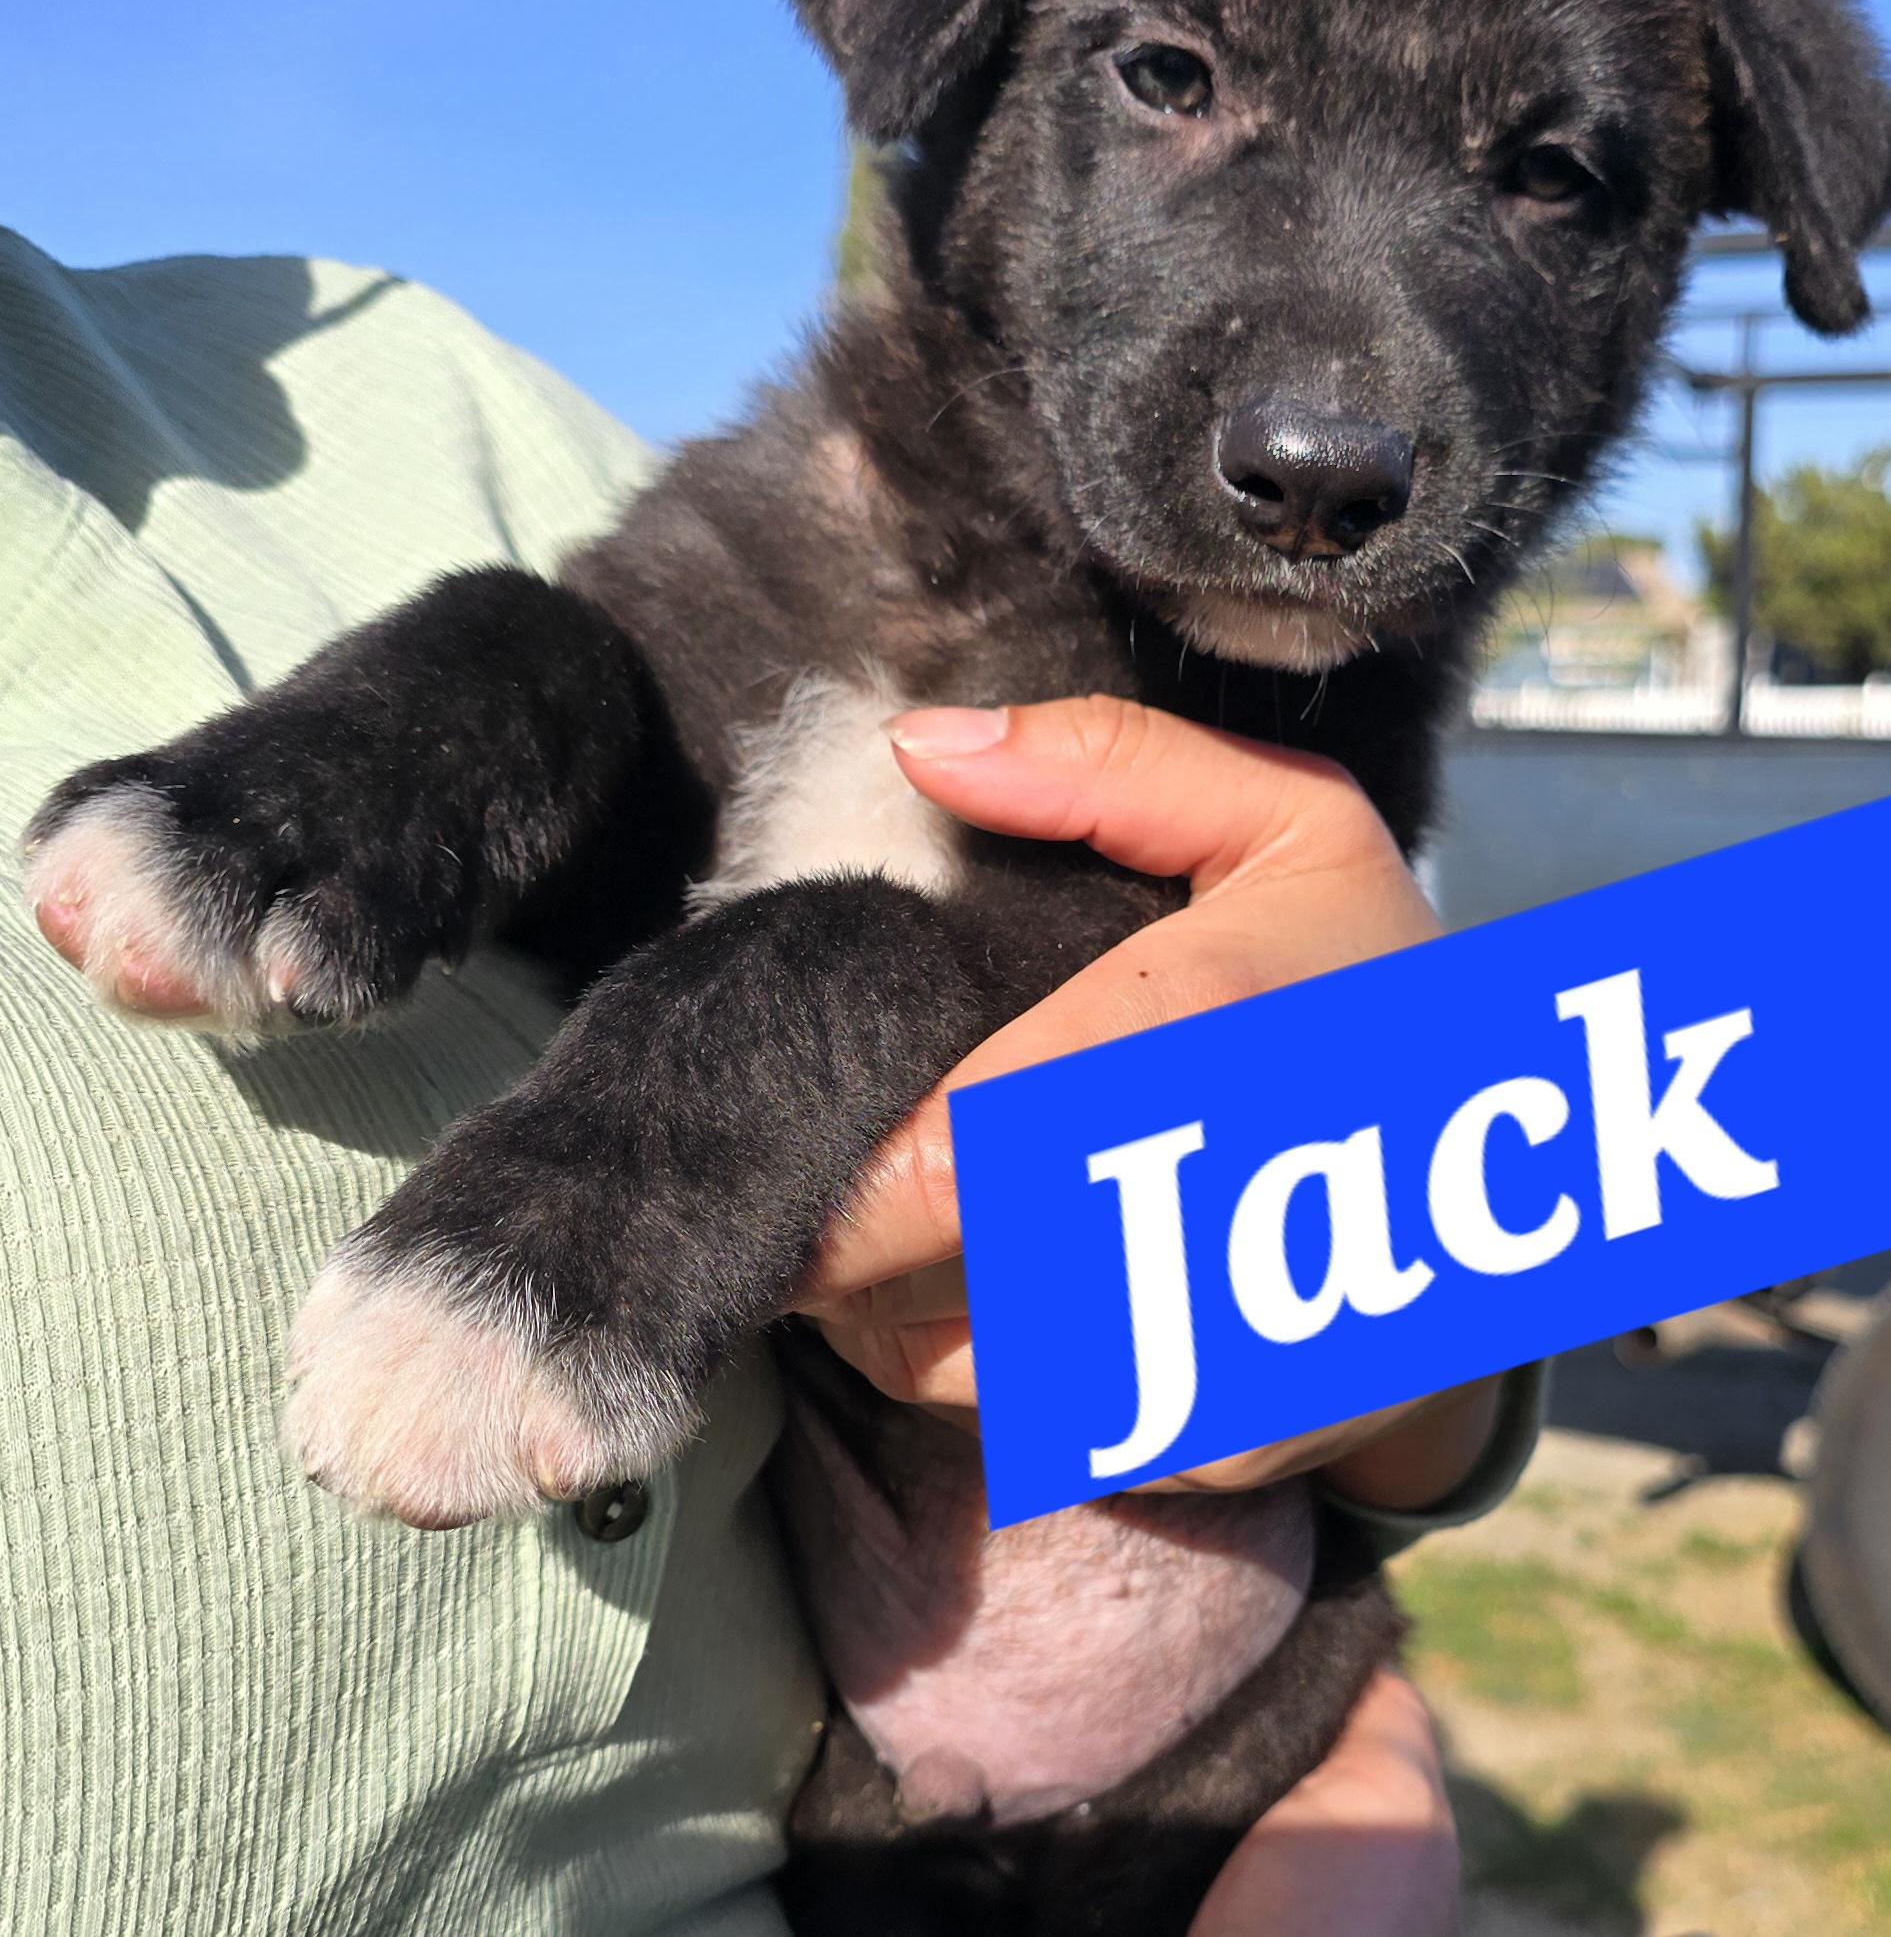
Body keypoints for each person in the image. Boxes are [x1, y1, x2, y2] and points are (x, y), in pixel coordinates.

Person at [0, 226, 1540, 1935]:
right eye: (1168, 74)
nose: (1331, 416)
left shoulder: (438, 392)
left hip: (1179, 1764)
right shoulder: (765, 510)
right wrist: (416, 748)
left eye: (1550, 181)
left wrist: (1435, 1350)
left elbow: (1410, 1343)